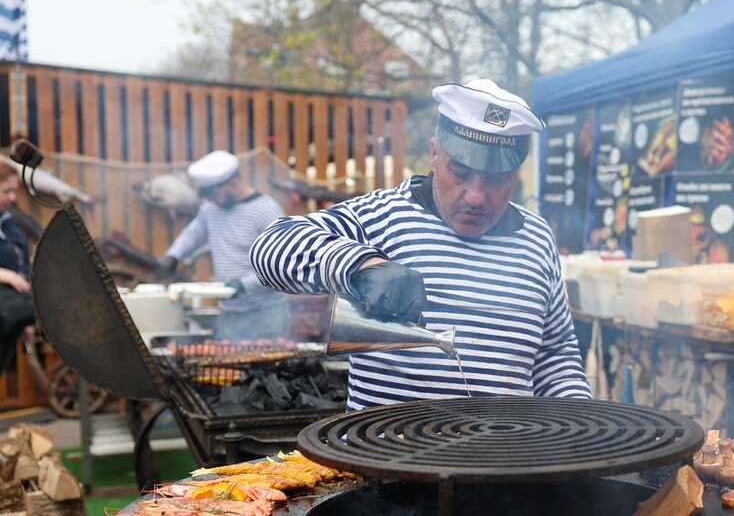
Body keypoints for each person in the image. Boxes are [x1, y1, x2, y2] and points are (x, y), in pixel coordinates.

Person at [249, 79, 593, 410]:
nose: (475, 196)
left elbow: (555, 354)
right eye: (459, 172)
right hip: (385, 463)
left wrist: (580, 419)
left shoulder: (536, 237)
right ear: (434, 154)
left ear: (516, 173)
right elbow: (269, 247)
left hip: (506, 460)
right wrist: (360, 267)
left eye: (497, 180)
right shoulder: (379, 217)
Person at [155, 150, 290, 342]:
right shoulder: (211, 209)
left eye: (213, 194)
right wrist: (173, 256)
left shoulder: (266, 211)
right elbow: (193, 233)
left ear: (233, 184)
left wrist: (244, 285)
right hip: (230, 313)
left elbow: (282, 266)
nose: (209, 200)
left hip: (267, 313)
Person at [0, 165, 36, 374]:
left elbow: (22, 264)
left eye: (15, 191)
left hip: (7, 320)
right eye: (6, 191)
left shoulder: (8, 223)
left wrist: (25, 320)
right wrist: (4, 275)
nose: (13, 198)